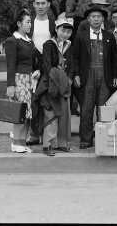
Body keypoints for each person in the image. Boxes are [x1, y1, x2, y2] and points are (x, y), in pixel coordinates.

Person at [73, 6, 117, 149]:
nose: (96, 19)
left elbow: (113, 59)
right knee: (86, 110)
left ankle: (103, 139)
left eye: (99, 16)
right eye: (93, 16)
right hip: (87, 76)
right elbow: (75, 57)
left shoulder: (109, 36)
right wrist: (76, 74)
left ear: (103, 19)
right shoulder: (81, 35)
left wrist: (115, 75)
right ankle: (85, 140)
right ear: (88, 19)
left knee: (103, 110)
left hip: (105, 76)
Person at [34, 13, 74, 156]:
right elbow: (47, 66)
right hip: (51, 84)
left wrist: (69, 78)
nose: (65, 34)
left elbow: (72, 65)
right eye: (63, 30)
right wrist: (58, 80)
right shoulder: (49, 45)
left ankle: (62, 143)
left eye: (69, 32)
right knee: (51, 114)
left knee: (64, 115)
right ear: (56, 29)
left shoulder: (69, 45)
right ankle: (48, 145)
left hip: (64, 85)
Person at [5, 9, 41, 153]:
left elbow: (36, 60)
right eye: (27, 22)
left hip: (29, 80)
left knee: (27, 114)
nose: (30, 24)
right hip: (19, 80)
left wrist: (37, 70)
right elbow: (10, 64)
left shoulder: (29, 41)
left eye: (30, 22)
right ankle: (16, 143)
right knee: (19, 113)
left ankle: (21, 143)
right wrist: (10, 85)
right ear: (19, 23)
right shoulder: (12, 41)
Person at [26, 0, 57, 146]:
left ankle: (48, 135)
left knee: (48, 102)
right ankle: (33, 135)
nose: (40, 6)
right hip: (32, 67)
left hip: (49, 67)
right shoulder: (29, 22)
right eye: (37, 3)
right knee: (33, 101)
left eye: (43, 3)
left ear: (48, 5)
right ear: (33, 5)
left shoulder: (54, 23)